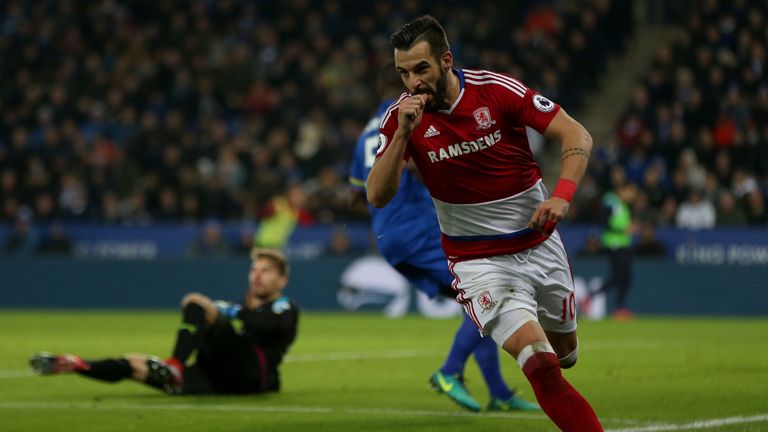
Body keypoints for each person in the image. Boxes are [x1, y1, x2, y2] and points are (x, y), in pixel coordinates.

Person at [367, 16, 602, 431]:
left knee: (566, 354)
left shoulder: (494, 91)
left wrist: (562, 197)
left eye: (421, 69)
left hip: (537, 243)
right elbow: (377, 195)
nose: (413, 83)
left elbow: (577, 134)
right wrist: (403, 135)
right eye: (403, 73)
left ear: (445, 61)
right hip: (478, 263)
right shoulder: (400, 120)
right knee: (542, 368)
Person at [350, 65, 538, 412]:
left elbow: (356, 193)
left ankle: (499, 393)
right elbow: (423, 167)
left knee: (478, 305)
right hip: (418, 229)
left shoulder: (368, 131)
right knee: (492, 292)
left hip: (390, 236)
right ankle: (449, 371)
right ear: (406, 88)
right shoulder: (408, 121)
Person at [29, 249, 299, 395]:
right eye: (254, 269)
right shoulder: (242, 307)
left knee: (196, 302)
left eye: (266, 271)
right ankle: (78, 365)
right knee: (135, 365)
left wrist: (230, 312)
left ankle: (176, 365)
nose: (257, 276)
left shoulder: (284, 307)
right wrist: (230, 312)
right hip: (217, 379)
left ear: (282, 280)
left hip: (251, 371)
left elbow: (272, 326)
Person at [593, 182, 638, 319]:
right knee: (618, 277)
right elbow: (603, 221)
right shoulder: (612, 201)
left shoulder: (624, 206)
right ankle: (592, 298)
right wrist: (623, 230)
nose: (633, 196)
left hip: (624, 245)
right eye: (631, 192)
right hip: (614, 244)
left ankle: (620, 309)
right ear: (622, 190)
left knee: (625, 278)